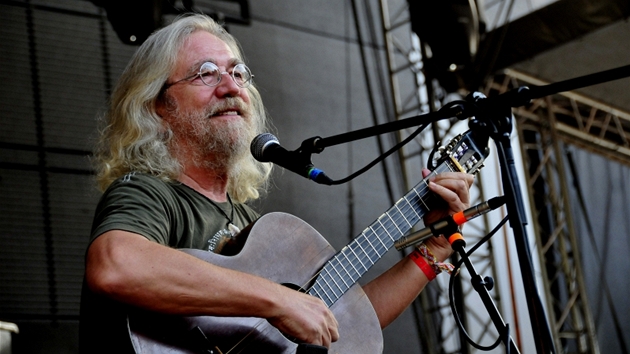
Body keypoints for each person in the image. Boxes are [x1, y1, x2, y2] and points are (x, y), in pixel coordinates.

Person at [79, 13, 474, 353]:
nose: (231, 85)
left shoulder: (248, 222)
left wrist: (433, 250)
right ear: (159, 106)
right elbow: (116, 265)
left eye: (237, 72)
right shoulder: (148, 192)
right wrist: (277, 300)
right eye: (206, 73)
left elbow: (345, 324)